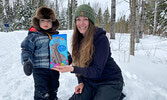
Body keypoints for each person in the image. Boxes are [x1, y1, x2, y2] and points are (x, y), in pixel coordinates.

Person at [52, 4, 124, 100]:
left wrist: (72, 69)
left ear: (91, 21)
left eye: (85, 19)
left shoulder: (101, 39)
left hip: (109, 81)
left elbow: (96, 71)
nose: (81, 23)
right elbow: (80, 63)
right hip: (91, 81)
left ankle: (115, 93)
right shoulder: (79, 39)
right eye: (78, 19)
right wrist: (81, 81)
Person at [21, 6, 60, 100]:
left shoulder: (56, 37)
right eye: (43, 20)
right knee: (42, 91)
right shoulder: (34, 36)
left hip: (54, 68)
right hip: (40, 70)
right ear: (38, 21)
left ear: (53, 22)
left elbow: (60, 50)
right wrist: (26, 61)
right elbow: (26, 48)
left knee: (54, 88)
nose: (46, 23)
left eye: (49, 21)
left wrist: (67, 56)